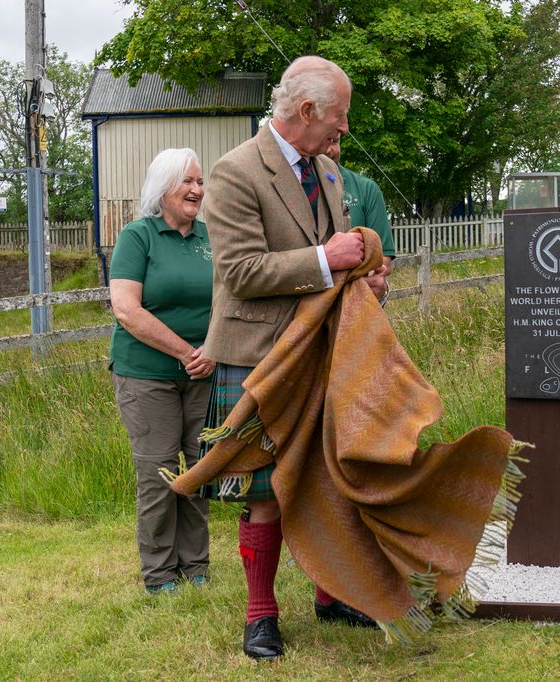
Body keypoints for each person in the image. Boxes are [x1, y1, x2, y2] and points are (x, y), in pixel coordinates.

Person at [199, 55, 388, 661]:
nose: (345, 129)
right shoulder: (235, 173)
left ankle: (331, 593)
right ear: (306, 111)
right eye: (340, 116)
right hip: (258, 353)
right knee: (265, 487)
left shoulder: (328, 173)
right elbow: (240, 272)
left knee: (330, 475)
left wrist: (361, 281)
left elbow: (336, 265)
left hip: (323, 348)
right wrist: (326, 260)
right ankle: (261, 613)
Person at [109, 147, 216, 595]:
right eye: (186, 181)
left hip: (203, 373)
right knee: (157, 472)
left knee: (199, 467)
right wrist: (185, 351)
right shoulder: (139, 237)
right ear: (162, 189)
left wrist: (212, 348)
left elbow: (231, 298)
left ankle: (196, 565)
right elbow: (126, 310)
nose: (197, 189)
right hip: (146, 374)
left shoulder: (211, 237)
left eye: (199, 180)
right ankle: (159, 574)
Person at [324, 137, 395, 290]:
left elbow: (384, 261)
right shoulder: (295, 188)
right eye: (323, 141)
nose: (329, 150)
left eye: (334, 142)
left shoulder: (366, 188)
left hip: (356, 298)